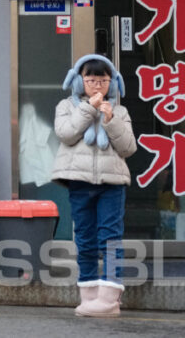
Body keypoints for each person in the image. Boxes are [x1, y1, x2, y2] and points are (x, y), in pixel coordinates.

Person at [52, 54, 137, 317]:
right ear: (80, 81)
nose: (97, 85)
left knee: (110, 238)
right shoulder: (67, 106)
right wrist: (89, 108)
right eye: (91, 79)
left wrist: (110, 120)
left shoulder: (120, 111)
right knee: (86, 239)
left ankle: (110, 298)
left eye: (103, 80)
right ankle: (89, 296)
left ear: (112, 83)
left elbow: (128, 148)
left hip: (112, 184)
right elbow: (66, 134)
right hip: (79, 182)